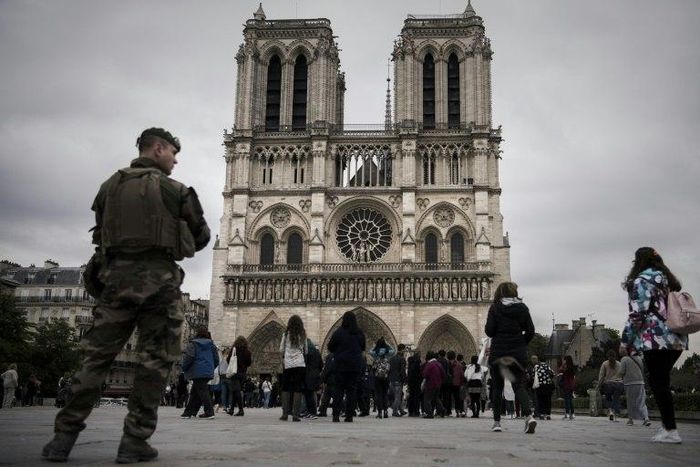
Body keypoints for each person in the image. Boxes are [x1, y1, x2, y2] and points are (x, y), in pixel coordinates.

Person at [42, 128, 210, 463]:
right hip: (158, 286)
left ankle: (62, 439)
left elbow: (100, 229)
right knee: (153, 363)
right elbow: (202, 236)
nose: (176, 160)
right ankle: (134, 441)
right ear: (157, 149)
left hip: (114, 282)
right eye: (173, 153)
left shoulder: (109, 186)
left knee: (94, 360)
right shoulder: (175, 190)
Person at [621, 247, 687, 443]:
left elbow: (637, 315)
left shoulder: (641, 281)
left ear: (637, 262)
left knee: (659, 384)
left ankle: (670, 429)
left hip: (656, 339)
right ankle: (668, 426)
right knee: (662, 383)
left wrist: (625, 340)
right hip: (677, 337)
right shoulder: (668, 280)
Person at [485, 281, 537, 434]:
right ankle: (529, 416)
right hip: (517, 353)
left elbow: (489, 331)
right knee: (518, 385)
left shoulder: (495, 307)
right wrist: (521, 343)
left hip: (499, 352)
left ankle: (497, 423)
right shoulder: (522, 308)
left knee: (497, 387)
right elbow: (530, 331)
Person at [327, 311, 366, 423]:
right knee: (351, 391)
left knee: (338, 389)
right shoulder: (359, 333)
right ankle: (349, 416)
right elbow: (363, 347)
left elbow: (330, 347)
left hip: (340, 364)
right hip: (355, 365)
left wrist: (338, 352)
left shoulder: (338, 332)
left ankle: (336, 416)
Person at [180, 326, 219, 420]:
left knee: (203, 391)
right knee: (195, 392)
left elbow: (189, 357)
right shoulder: (211, 345)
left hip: (197, 371)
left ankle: (209, 412)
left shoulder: (193, 344)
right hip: (208, 371)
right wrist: (210, 367)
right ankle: (189, 412)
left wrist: (184, 367)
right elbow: (216, 359)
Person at [279, 315, 308, 422]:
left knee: (285, 388)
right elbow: (306, 351)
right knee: (298, 388)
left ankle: (285, 414)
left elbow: (281, 349)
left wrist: (286, 355)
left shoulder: (286, 334)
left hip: (288, 364)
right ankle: (296, 415)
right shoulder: (303, 334)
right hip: (300, 364)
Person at [618, 347, 650, 427]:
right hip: (640, 382)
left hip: (629, 383)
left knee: (630, 402)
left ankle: (630, 419)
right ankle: (646, 418)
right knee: (641, 401)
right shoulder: (639, 358)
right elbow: (642, 369)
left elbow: (622, 372)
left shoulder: (624, 359)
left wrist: (617, 377)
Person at [227, 336, 252, 416]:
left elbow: (228, 360)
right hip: (242, 373)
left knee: (236, 390)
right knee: (235, 390)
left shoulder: (234, 350)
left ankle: (241, 409)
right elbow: (249, 363)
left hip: (235, 372)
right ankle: (231, 410)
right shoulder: (247, 351)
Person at [369, 337, 394, 419]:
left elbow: (370, 351)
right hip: (386, 377)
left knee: (378, 395)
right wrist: (387, 344)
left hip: (377, 377)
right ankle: (386, 411)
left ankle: (379, 412)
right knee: (385, 394)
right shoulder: (387, 353)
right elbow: (393, 350)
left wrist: (375, 345)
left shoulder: (376, 353)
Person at [596, 350, 624, 422]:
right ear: (615, 356)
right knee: (616, 398)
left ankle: (611, 411)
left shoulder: (605, 364)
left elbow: (601, 376)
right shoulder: (620, 364)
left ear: (607, 356)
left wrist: (598, 386)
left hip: (609, 385)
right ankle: (616, 412)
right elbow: (623, 375)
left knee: (608, 397)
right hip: (620, 384)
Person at [421, 351, 446, 418]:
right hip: (438, 384)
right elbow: (443, 374)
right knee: (436, 398)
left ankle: (429, 414)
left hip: (430, 384)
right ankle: (442, 409)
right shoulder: (439, 364)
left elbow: (425, 374)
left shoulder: (429, 364)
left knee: (427, 399)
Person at [303, 339, 323, 419]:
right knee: (312, 394)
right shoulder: (317, 352)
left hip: (308, 374)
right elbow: (321, 364)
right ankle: (311, 412)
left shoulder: (307, 352)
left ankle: (311, 412)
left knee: (308, 394)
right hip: (316, 375)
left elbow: (305, 362)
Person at [388, 343, 407, 417]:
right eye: (404, 350)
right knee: (398, 397)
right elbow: (402, 371)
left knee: (398, 395)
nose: (405, 351)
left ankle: (401, 410)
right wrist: (405, 379)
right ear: (402, 350)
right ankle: (395, 412)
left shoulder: (392, 358)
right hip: (398, 380)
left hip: (392, 379)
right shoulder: (402, 359)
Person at [558, 356, 576, 420]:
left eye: (564, 360)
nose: (563, 361)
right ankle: (572, 413)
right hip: (571, 386)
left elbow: (560, 372)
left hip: (566, 385)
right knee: (570, 400)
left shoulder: (565, 368)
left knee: (567, 400)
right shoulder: (572, 368)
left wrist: (562, 366)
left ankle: (567, 413)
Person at [406, 351, 423, 417]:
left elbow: (409, 373)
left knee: (411, 396)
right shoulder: (418, 362)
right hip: (417, 382)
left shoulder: (410, 362)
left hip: (410, 382)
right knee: (416, 397)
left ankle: (410, 411)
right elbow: (420, 373)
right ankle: (416, 411)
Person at [451, 353, 465, 417]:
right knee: (458, 398)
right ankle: (458, 411)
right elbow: (462, 375)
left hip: (452, 383)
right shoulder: (460, 365)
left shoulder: (452, 364)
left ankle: (453, 410)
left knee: (453, 397)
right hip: (458, 383)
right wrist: (462, 383)